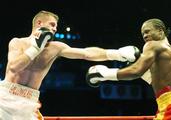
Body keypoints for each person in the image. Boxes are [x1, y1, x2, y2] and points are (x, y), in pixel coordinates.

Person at [0, 10, 140, 120]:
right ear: (39, 23)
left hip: (29, 102)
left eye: (56, 26)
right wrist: (35, 48)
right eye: (52, 25)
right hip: (5, 98)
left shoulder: (55, 48)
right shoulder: (18, 42)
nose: (55, 29)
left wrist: (116, 54)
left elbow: (86, 53)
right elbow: (14, 67)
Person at [86, 18, 171, 120]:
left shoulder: (153, 45)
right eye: (143, 34)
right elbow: (163, 82)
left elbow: (136, 71)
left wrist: (104, 74)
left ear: (160, 31)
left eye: (147, 31)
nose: (145, 36)